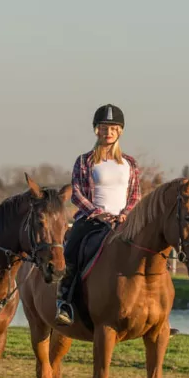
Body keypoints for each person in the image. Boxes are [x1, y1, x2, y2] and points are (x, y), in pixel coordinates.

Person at [55, 104, 141, 326]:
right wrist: (98, 213)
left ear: (120, 131)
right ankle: (64, 301)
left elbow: (135, 195)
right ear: (96, 130)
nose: (108, 132)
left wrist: (126, 214)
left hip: (124, 222)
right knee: (71, 250)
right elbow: (76, 193)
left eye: (113, 128)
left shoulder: (130, 163)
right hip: (92, 220)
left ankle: (156, 311)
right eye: (104, 127)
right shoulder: (84, 161)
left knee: (151, 249)